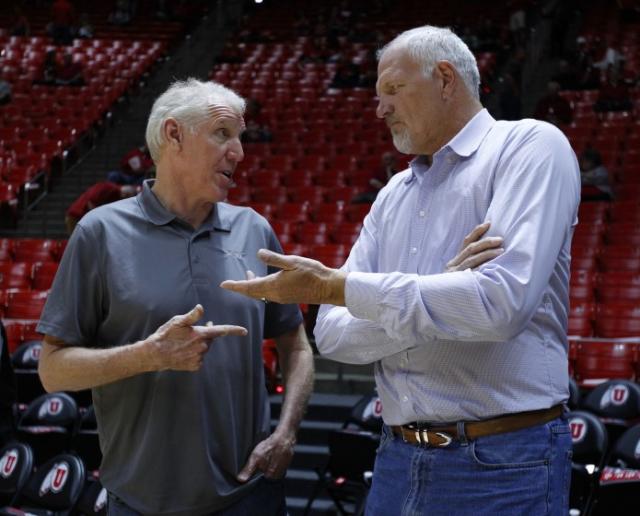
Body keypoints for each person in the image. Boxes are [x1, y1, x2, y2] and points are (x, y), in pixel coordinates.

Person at [222, 25, 580, 515]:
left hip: (503, 459)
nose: (379, 108)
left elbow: (499, 306)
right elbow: (332, 335)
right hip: (396, 455)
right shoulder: (393, 195)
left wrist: (342, 288)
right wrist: (444, 289)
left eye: (393, 89)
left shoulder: (531, 147)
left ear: (446, 79)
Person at [38, 78, 313, 515]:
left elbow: (295, 343)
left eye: (240, 137)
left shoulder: (254, 229)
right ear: (173, 135)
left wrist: (287, 432)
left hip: (252, 495)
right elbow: (52, 372)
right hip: (143, 502)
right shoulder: (100, 232)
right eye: (223, 134)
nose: (239, 152)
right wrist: (150, 355)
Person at [64, 181, 136, 235]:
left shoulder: (113, 191)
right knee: (79, 246)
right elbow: (91, 202)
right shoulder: (109, 188)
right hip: (77, 216)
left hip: (80, 217)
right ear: (125, 195)